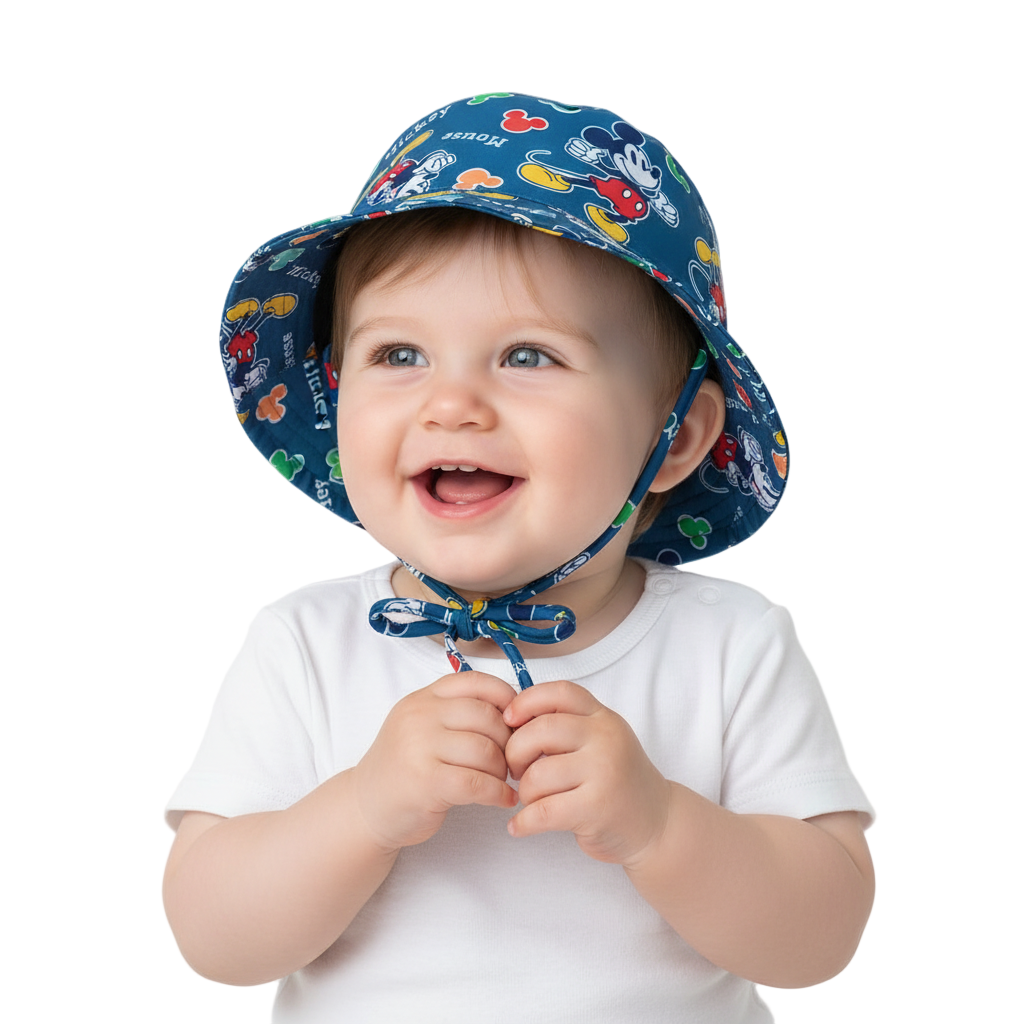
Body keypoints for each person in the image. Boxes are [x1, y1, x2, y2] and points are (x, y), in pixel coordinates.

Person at [164, 93, 874, 1023]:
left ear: (677, 437)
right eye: (399, 354)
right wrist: (362, 808)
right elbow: (214, 939)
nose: (451, 404)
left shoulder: (731, 645)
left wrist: (662, 823)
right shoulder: (308, 644)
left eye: (528, 356)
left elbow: (819, 940)